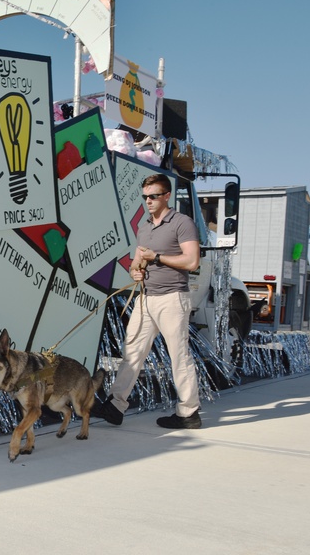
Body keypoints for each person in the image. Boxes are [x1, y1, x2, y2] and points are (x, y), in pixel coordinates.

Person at [96, 173, 203, 429]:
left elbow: (191, 261)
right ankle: (115, 406)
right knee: (132, 351)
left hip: (172, 298)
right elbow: (137, 260)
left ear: (167, 196)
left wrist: (157, 258)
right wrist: (135, 270)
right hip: (146, 297)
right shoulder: (144, 226)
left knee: (179, 356)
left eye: (153, 196)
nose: (148, 201)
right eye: (145, 197)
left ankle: (189, 413)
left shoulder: (182, 223)